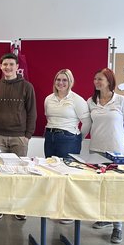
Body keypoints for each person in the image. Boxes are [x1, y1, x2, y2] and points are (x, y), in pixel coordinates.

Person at [87, 68, 124, 244]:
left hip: (116, 151)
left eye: (100, 79)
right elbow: (87, 124)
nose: (97, 82)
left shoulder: (121, 100)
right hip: (97, 150)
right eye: (95, 79)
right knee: (100, 186)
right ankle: (105, 217)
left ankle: (118, 226)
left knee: (115, 189)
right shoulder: (91, 102)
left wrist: (120, 138)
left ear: (109, 81)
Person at [0, 53, 36, 220]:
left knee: (20, 174)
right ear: (1, 67)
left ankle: (19, 208)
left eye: (11, 64)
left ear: (17, 67)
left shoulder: (27, 87)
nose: (7, 67)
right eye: (5, 64)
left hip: (19, 137)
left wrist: (27, 136)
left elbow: (32, 112)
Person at [44, 69, 91, 224]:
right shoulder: (49, 99)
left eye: (65, 80)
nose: (61, 83)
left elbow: (87, 122)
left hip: (68, 139)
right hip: (50, 137)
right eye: (58, 79)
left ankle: (69, 212)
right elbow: (49, 118)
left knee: (67, 175)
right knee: (52, 172)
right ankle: (55, 208)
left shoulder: (77, 100)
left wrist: (77, 139)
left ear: (70, 82)